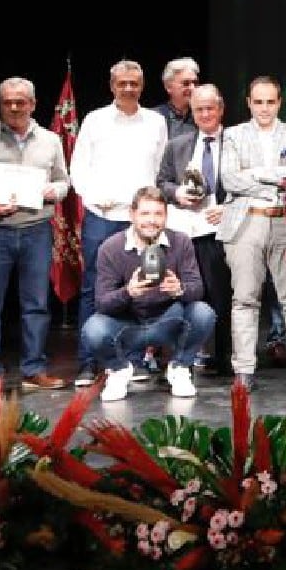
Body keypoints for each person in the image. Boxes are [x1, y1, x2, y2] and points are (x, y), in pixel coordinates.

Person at [0, 76, 70, 395]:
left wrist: (52, 191)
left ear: (33, 104)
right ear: (1, 105)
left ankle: (34, 370)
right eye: (8, 102)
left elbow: (63, 181)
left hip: (37, 231)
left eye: (21, 101)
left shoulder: (50, 141)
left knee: (36, 304)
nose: (15, 107)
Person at [69, 59, 170, 387]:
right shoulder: (95, 120)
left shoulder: (155, 122)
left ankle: (134, 360)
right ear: (112, 86)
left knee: (143, 289)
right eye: (122, 83)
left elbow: (160, 168)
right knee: (93, 290)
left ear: (142, 86)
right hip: (102, 217)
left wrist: (150, 211)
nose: (128, 88)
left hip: (143, 224)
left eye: (134, 83)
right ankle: (88, 362)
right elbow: (78, 167)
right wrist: (95, 197)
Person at [218, 75, 286, 392]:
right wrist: (275, 178)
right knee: (245, 299)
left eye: (270, 102)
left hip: (284, 223)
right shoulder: (233, 135)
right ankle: (244, 371)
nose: (264, 108)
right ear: (248, 103)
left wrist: (257, 174)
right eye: (257, 102)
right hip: (246, 222)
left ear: (279, 102)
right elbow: (230, 180)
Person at [84, 187, 215, 402]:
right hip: (128, 324)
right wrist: (128, 292)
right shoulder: (111, 247)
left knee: (203, 312)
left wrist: (179, 289)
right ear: (132, 215)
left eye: (158, 214)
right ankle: (118, 370)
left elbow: (197, 289)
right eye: (145, 214)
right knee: (93, 328)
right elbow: (102, 303)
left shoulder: (181, 242)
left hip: (167, 320)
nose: (151, 221)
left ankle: (180, 367)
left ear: (166, 216)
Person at [156, 84, 234, 377]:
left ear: (221, 109)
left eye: (209, 108)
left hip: (227, 229)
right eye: (198, 109)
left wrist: (229, 207)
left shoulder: (236, 141)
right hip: (190, 231)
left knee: (223, 296)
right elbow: (161, 182)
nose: (204, 114)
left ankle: (224, 358)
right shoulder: (178, 145)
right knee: (189, 294)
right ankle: (185, 357)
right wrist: (177, 193)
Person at [153, 57, 201, 143]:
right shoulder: (153, 117)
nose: (193, 88)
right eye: (186, 83)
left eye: (195, 83)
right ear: (168, 87)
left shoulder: (203, 116)